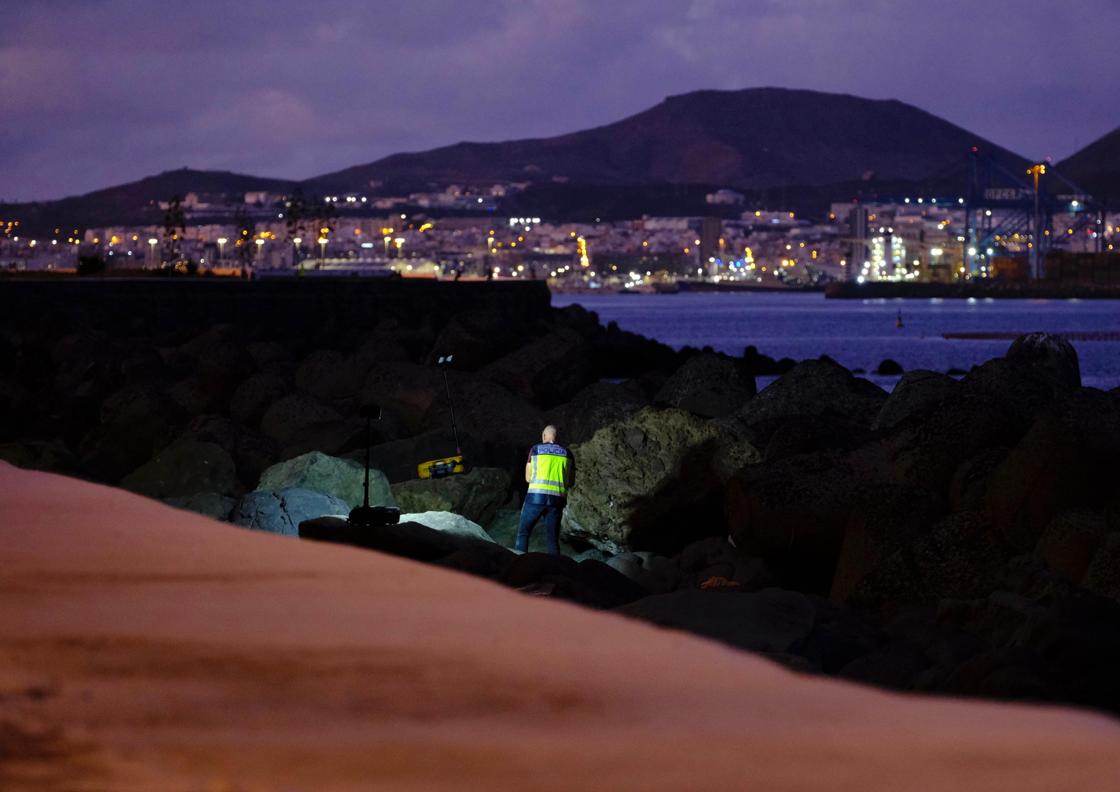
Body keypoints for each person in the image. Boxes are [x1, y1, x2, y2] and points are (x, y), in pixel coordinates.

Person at [515, 425, 574, 555]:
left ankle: (518, 566)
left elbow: (527, 478)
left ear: (543, 436)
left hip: (535, 498)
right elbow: (570, 481)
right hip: (557, 501)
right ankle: (556, 571)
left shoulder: (536, 449)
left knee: (523, 533)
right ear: (557, 437)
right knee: (552, 539)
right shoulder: (567, 453)